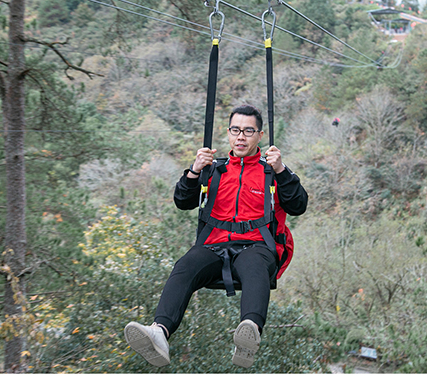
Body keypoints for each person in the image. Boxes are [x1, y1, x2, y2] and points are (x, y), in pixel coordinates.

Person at [124, 104, 308, 368]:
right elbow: (182, 201)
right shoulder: (213, 170)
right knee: (186, 264)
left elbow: (298, 205)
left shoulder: (271, 172)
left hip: (256, 245)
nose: (241, 137)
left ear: (260, 135)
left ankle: (249, 331)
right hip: (214, 246)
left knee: (255, 265)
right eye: (235, 130)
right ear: (228, 132)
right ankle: (159, 332)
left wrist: (281, 170)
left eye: (248, 131)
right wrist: (194, 171)